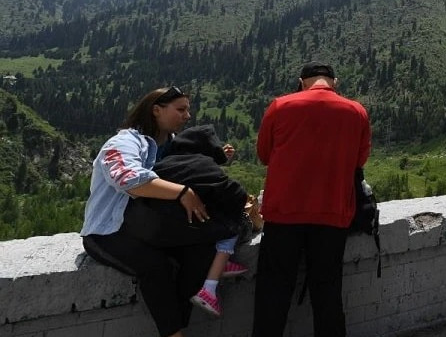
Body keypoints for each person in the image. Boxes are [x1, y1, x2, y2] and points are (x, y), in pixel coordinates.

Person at [80, 86, 217, 337]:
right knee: (156, 266)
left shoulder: (173, 145)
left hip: (147, 227)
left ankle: (177, 324)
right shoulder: (124, 142)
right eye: (181, 109)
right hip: (108, 230)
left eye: (188, 109)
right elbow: (126, 178)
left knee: (200, 252)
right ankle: (174, 333)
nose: (188, 116)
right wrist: (181, 192)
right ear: (156, 110)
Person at [253, 63, 372, 337]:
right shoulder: (356, 111)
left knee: (274, 291)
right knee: (328, 291)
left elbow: (264, 154)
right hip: (333, 213)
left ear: (301, 82)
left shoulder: (280, 106)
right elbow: (359, 160)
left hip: (283, 213)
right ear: (335, 82)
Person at [145, 124, 255, 317]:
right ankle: (211, 286)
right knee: (237, 221)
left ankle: (219, 264)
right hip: (195, 236)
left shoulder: (160, 165)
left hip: (160, 236)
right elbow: (237, 195)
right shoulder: (203, 163)